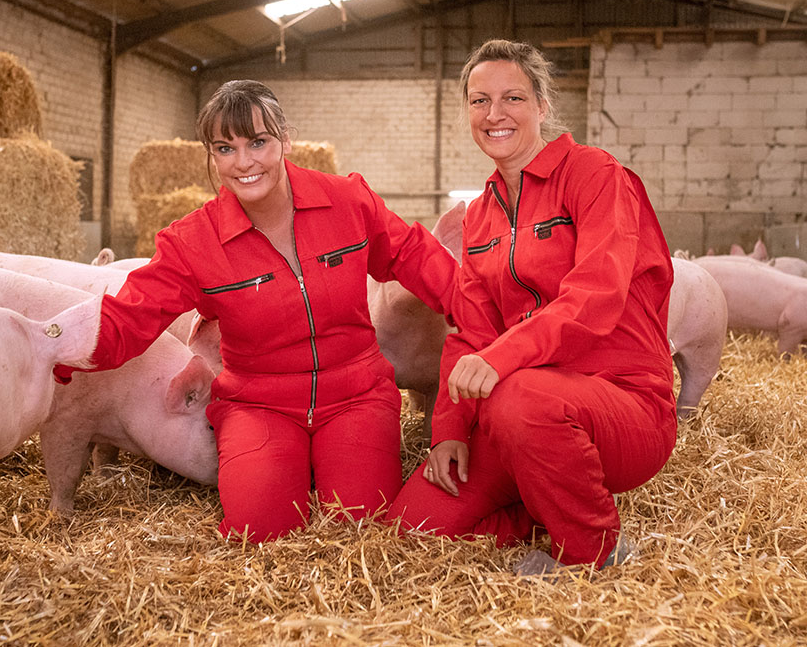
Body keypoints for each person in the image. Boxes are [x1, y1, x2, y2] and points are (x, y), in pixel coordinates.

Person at [55, 79, 458, 543]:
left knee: (358, 526)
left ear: (285, 140)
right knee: (258, 532)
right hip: (260, 402)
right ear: (212, 156)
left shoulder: (347, 202)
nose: (244, 162)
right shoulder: (194, 242)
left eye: (258, 142)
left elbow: (417, 257)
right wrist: (58, 350)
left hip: (356, 393)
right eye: (225, 148)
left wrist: (485, 317)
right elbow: (132, 315)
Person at [385, 39, 677, 574]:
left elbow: (594, 298)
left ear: (542, 106)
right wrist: (448, 431)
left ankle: (593, 550)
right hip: (520, 416)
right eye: (479, 101)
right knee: (414, 523)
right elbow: (470, 330)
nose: (494, 114)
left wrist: (500, 359)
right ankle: (551, 504)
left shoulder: (596, 176)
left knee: (519, 395)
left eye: (512, 98)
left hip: (621, 404)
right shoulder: (481, 215)